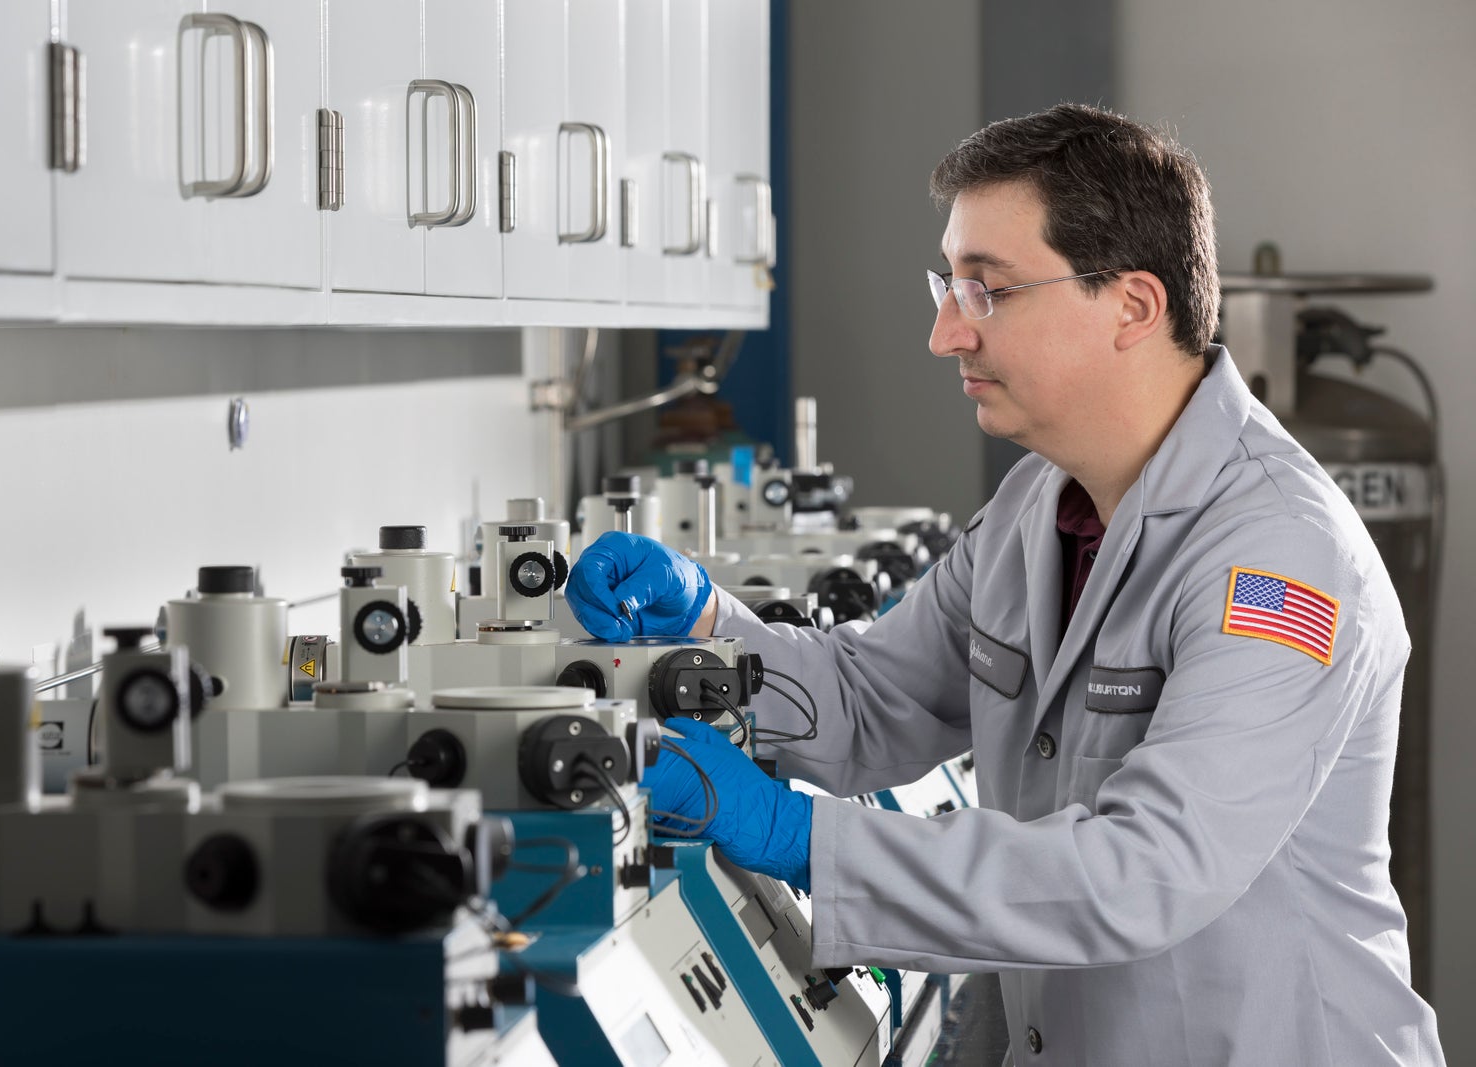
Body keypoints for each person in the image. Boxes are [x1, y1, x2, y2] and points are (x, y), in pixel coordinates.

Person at [566, 104, 1444, 1065]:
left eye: (986, 290)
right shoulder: (1043, 504)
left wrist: (798, 835)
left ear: (1133, 306)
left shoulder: (1278, 555)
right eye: (947, 283)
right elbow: (871, 700)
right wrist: (702, 623)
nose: (947, 334)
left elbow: (1143, 873)